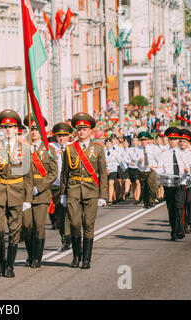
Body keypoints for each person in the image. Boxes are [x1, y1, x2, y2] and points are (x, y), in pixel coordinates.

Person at [60, 112, 108, 269]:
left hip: (91, 190)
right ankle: (76, 256)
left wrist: (103, 195)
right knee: (74, 223)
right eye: (79, 129)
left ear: (90, 131)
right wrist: (63, 194)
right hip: (73, 190)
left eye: (85, 129)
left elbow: (102, 173)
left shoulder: (98, 149)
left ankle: (86, 259)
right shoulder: (69, 149)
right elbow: (65, 173)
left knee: (88, 224)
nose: (81, 132)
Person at [0, 109, 32, 278]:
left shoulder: (25, 148)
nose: (7, 130)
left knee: (15, 230)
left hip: (17, 192)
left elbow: (28, 175)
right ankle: (1, 262)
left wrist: (28, 198)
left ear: (16, 129)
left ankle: (10, 266)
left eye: (11, 127)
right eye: (5, 127)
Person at [22, 115, 57, 268]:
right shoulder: (23, 149)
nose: (34, 132)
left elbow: (53, 172)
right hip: (26, 193)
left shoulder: (49, 150)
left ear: (42, 131)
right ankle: (30, 255)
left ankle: (37, 257)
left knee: (39, 226)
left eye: (37, 129)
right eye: (32, 129)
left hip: (41, 193)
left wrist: (40, 187)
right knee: (27, 226)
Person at [157, 127, 190, 240]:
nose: (172, 141)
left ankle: (180, 230)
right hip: (169, 184)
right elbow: (160, 170)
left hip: (181, 183)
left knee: (179, 206)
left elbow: (189, 168)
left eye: (175, 139)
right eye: (170, 139)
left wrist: (187, 171)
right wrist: (159, 172)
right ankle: (173, 230)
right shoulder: (164, 154)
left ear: (178, 140)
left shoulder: (185, 154)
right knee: (171, 209)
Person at [49, 122, 73, 251]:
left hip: (71, 185)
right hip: (57, 185)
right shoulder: (50, 147)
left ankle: (71, 236)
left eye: (64, 135)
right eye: (59, 136)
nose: (61, 138)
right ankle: (65, 237)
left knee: (72, 213)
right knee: (59, 214)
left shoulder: (73, 147)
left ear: (68, 136)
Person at [137, 132, 160, 209]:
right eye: (142, 140)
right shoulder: (137, 149)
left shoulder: (153, 148)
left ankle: (151, 201)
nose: (143, 142)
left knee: (150, 184)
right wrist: (138, 161)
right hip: (142, 170)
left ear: (148, 140)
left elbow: (158, 159)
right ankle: (146, 202)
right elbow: (133, 160)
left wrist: (156, 167)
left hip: (150, 170)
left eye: (145, 140)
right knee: (144, 187)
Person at [126, 136, 141, 204]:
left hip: (138, 168)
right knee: (133, 184)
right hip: (131, 168)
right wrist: (129, 162)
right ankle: (135, 197)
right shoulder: (129, 149)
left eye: (136, 141)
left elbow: (141, 158)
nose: (134, 142)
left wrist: (136, 160)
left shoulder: (140, 149)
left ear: (138, 142)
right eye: (133, 141)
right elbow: (125, 158)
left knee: (138, 182)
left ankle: (138, 198)